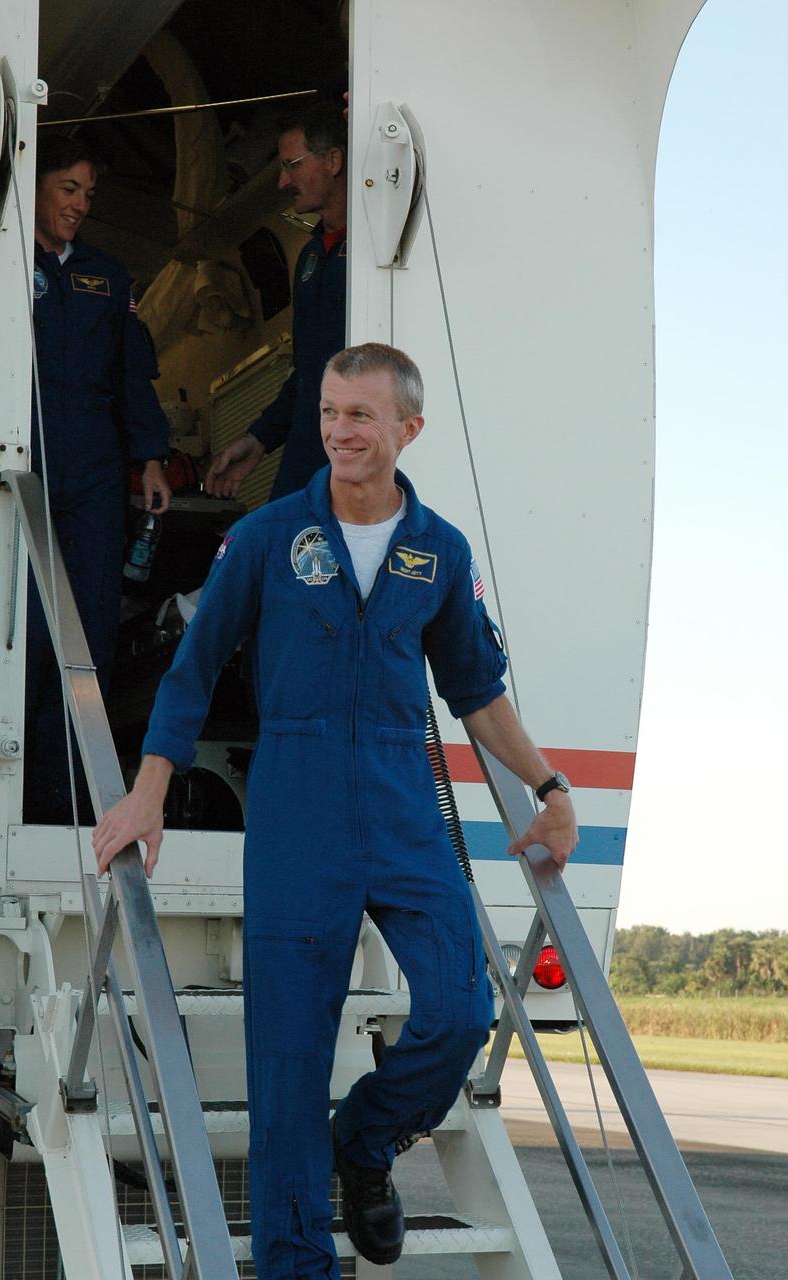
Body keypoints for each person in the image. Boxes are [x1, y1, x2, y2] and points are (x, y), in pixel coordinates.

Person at [93, 344, 577, 1277]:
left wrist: (550, 789)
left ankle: (359, 1144)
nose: (338, 432)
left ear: (407, 429)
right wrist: (149, 787)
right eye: (327, 412)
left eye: (360, 416)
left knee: (458, 1011)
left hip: (403, 805)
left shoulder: (439, 550)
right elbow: (192, 673)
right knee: (286, 1067)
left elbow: (476, 691)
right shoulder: (269, 537)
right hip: (298, 810)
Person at [24, 134, 171, 824]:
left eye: (88, 194)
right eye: (67, 189)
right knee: (16, 624)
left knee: (88, 631)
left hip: (92, 474)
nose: (80, 205)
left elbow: (131, 379)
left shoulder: (108, 278)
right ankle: (12, 781)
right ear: (36, 186)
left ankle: (70, 791)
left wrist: (150, 459)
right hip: (15, 462)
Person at [204, 102, 348, 502]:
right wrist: (259, 439)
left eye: (293, 165)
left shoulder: (377, 252)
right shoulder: (312, 255)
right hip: (309, 450)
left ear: (333, 161)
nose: (283, 181)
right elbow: (308, 371)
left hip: (359, 454)